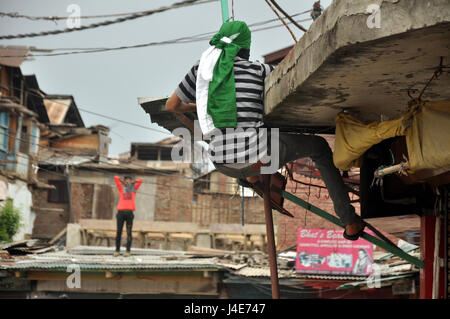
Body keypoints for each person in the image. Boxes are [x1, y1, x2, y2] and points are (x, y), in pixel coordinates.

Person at [166, 20, 365, 241]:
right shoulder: (260, 70)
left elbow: (171, 106)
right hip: (257, 158)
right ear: (246, 48)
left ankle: (252, 179)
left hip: (222, 165)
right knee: (318, 147)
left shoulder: (200, 69)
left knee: (247, 145)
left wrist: (196, 109)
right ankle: (349, 221)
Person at [113, 175, 142, 257]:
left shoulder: (133, 190)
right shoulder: (121, 189)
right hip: (120, 213)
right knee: (119, 231)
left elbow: (140, 180)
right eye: (126, 181)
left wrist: (133, 182)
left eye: (129, 181)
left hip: (129, 213)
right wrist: (123, 182)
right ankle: (117, 250)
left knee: (129, 232)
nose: (128, 182)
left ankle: (128, 250)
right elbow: (115, 178)